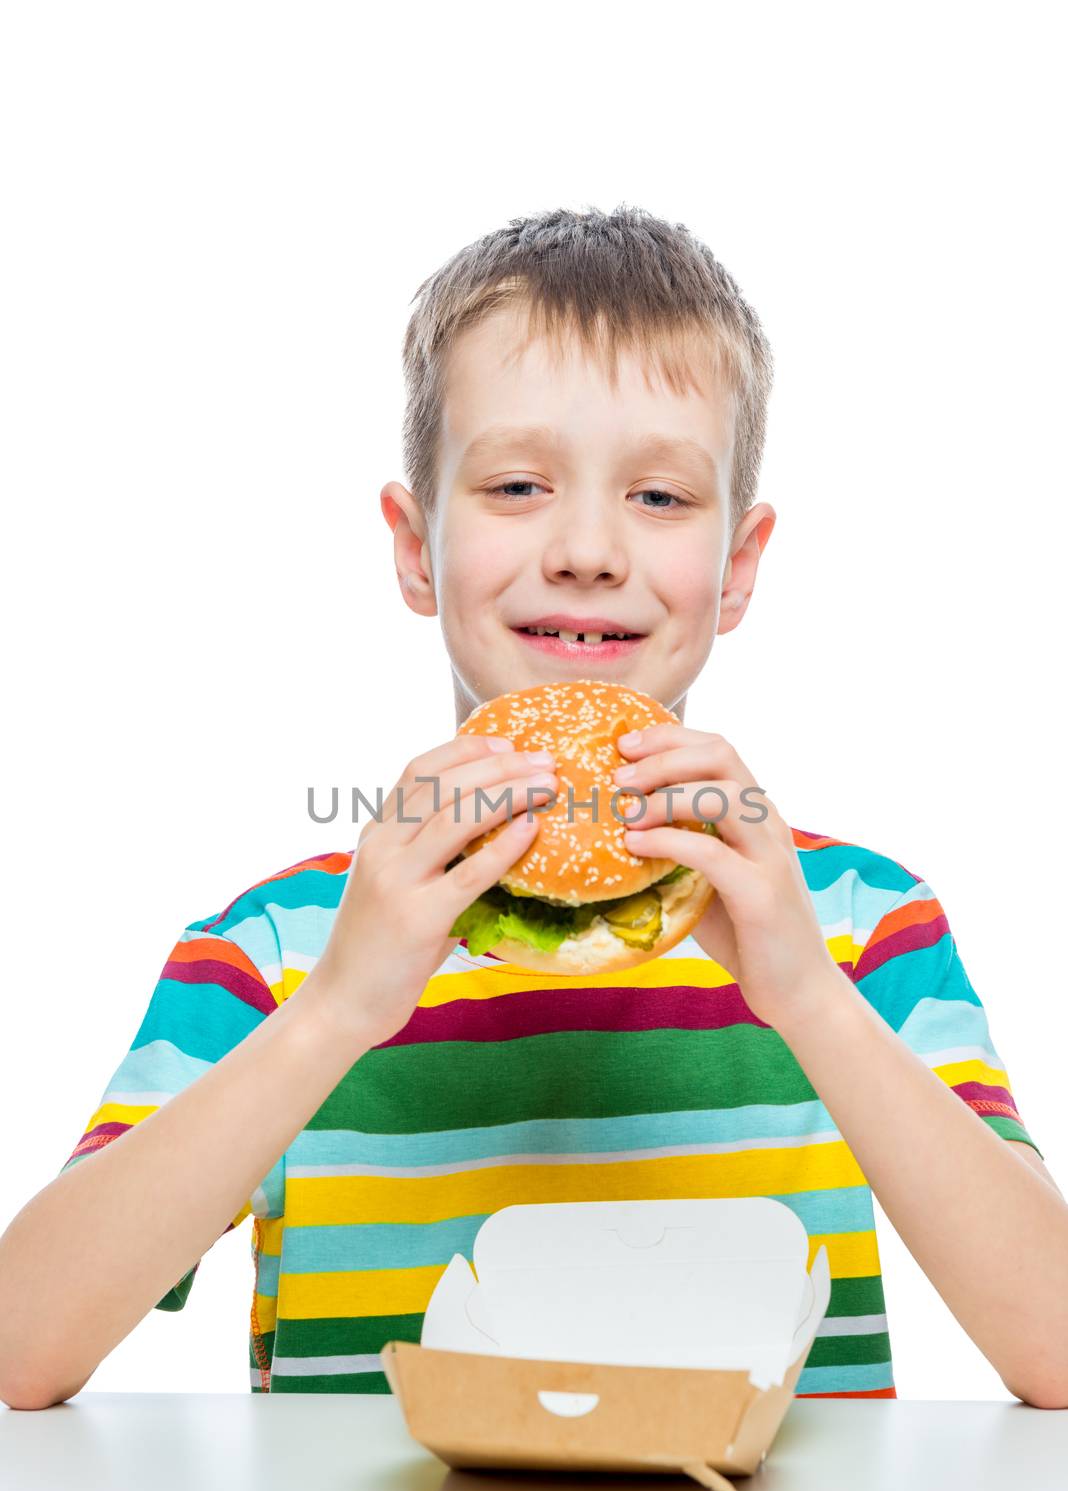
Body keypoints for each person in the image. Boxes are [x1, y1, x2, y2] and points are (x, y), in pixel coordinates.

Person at [2, 204, 1066, 1411]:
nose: (587, 549)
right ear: (416, 548)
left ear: (740, 565)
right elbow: (25, 1349)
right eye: (516, 484)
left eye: (661, 498)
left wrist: (809, 996)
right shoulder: (279, 946)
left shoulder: (866, 925)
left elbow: (1054, 1353)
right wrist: (339, 1008)